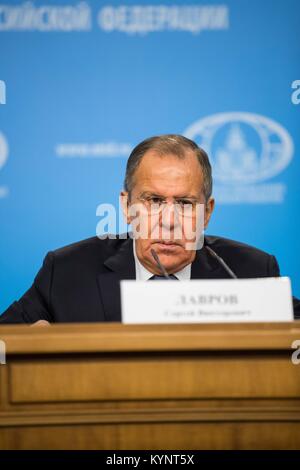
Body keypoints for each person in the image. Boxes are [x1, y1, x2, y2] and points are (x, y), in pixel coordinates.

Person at [0, 134, 299, 324]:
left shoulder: (251, 272)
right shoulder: (67, 272)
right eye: (154, 201)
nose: (169, 221)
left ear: (207, 213)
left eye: (184, 203)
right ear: (127, 207)